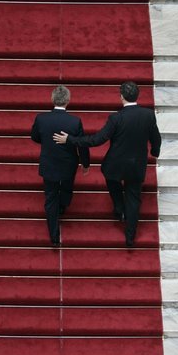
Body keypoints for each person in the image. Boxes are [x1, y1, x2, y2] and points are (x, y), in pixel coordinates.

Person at [53, 81, 161, 247]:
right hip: (136, 165)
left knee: (114, 185)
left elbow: (96, 140)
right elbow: (156, 137)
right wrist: (155, 152)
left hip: (115, 165)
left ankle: (118, 209)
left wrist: (70, 139)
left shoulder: (116, 118)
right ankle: (130, 237)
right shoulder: (148, 115)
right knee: (134, 199)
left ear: (121, 97)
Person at [31, 85, 90, 245]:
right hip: (68, 164)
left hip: (49, 163)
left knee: (50, 198)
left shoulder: (41, 118)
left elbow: (35, 137)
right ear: (68, 100)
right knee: (67, 186)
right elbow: (82, 144)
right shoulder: (74, 121)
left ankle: (54, 235)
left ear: (52, 99)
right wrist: (85, 163)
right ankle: (63, 205)